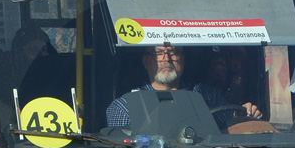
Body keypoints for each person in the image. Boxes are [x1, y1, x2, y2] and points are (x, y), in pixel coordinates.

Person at [105, 43, 261, 131]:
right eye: (158, 53)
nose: (167, 59)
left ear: (183, 60)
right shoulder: (125, 106)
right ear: (146, 62)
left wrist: (244, 114)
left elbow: (233, 123)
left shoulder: (206, 95)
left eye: (174, 52)